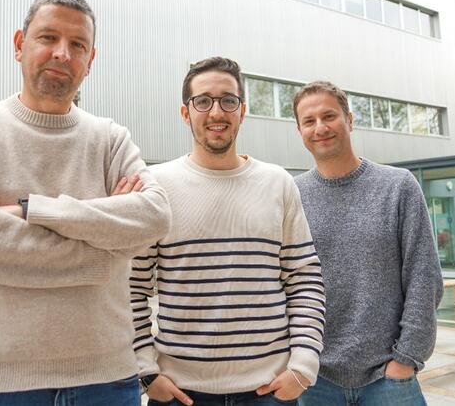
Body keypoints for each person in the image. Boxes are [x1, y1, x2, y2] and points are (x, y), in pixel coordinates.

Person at [0, 0, 171, 405]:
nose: (62, 53)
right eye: (48, 37)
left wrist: (34, 210)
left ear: (90, 61)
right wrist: (107, 252)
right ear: (19, 44)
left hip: (109, 380)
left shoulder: (110, 138)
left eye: (78, 45)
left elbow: (154, 216)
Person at [131, 57, 325, 406]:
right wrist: (146, 372)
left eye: (228, 100)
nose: (216, 112)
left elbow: (304, 278)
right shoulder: (156, 186)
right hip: (180, 394)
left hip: (269, 391)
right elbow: (131, 286)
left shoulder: (278, 183)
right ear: (185, 113)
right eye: (203, 101)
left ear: (242, 111)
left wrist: (303, 366)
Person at [292, 81, 443, 406]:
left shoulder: (398, 186)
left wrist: (407, 358)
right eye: (309, 121)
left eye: (329, 116)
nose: (320, 128)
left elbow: (423, 276)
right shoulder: (291, 194)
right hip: (314, 379)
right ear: (299, 130)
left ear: (349, 119)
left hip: (388, 379)